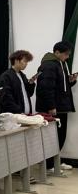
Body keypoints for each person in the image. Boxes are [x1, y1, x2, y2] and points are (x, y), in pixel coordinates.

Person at [36, 41, 77, 171]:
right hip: (53, 108)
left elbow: (61, 85)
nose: (67, 57)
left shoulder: (60, 64)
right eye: (66, 54)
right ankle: (49, 165)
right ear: (57, 52)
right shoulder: (49, 65)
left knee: (59, 136)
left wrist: (70, 81)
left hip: (61, 107)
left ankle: (55, 162)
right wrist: (51, 106)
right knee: (52, 137)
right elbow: (46, 87)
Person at [0, 50, 37, 114]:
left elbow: (29, 94)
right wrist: (18, 111)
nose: (26, 64)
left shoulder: (22, 76)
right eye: (25, 61)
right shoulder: (6, 76)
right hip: (15, 115)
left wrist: (31, 83)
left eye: (27, 62)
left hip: (24, 115)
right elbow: (6, 98)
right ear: (16, 61)